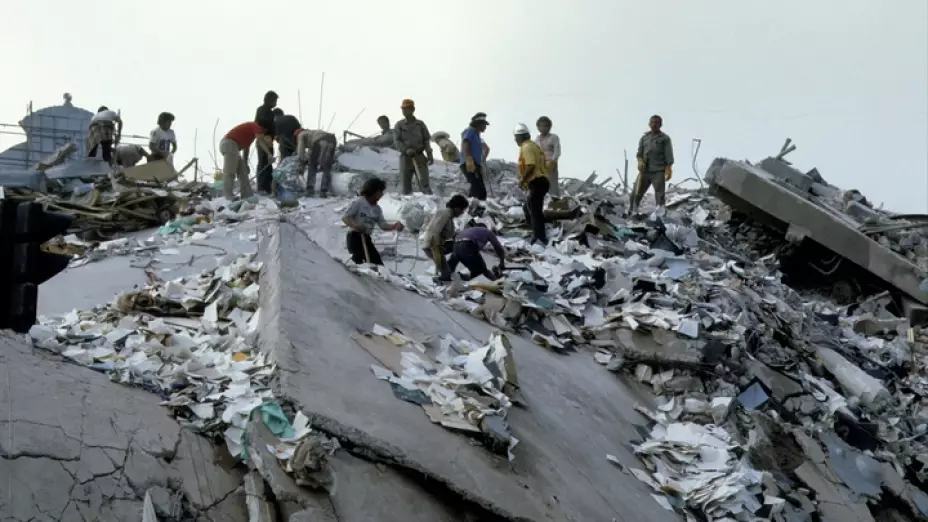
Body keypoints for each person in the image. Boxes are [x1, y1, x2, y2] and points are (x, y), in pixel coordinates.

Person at [341, 177, 404, 265]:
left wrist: (395, 226)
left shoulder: (377, 209)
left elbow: (383, 225)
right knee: (359, 263)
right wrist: (356, 226)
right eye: (380, 192)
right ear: (374, 191)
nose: (382, 195)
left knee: (377, 264)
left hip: (366, 238)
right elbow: (346, 218)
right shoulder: (359, 202)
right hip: (354, 237)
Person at [514, 123, 550, 245]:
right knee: (528, 207)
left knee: (535, 211)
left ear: (521, 137)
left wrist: (522, 180)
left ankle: (540, 238)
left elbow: (530, 165)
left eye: (516, 137)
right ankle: (534, 230)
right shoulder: (534, 146)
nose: (515, 140)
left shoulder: (526, 147)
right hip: (542, 181)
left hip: (537, 182)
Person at [632, 114, 674, 214]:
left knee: (659, 194)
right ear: (649, 124)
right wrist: (640, 161)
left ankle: (660, 214)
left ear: (660, 125)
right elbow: (639, 153)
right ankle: (632, 211)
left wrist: (668, 168)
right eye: (652, 122)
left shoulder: (665, 138)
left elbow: (669, 154)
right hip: (645, 171)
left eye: (657, 123)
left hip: (658, 171)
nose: (654, 124)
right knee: (636, 193)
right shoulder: (644, 138)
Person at [219, 121, 271, 199]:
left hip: (234, 147)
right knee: (230, 171)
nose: (262, 134)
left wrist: (245, 163)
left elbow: (246, 149)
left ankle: (247, 196)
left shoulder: (251, 136)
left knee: (243, 172)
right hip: (229, 143)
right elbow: (260, 141)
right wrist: (269, 154)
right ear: (263, 129)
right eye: (263, 133)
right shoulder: (255, 126)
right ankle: (228, 196)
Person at [422, 194, 469, 279]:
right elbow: (435, 231)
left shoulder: (449, 215)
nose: (462, 213)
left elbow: (449, 233)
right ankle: (440, 276)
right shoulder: (445, 214)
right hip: (432, 246)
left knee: (461, 246)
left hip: (437, 245)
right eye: (462, 210)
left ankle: (449, 267)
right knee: (446, 275)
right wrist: (437, 248)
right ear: (457, 208)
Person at [393, 99, 434, 194]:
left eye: (406, 109)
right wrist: (406, 150)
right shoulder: (399, 125)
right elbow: (397, 141)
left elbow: (426, 140)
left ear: (413, 109)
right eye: (402, 109)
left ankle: (428, 201)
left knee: (424, 184)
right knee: (405, 186)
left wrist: (429, 154)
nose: (404, 111)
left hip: (419, 156)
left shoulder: (420, 124)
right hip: (405, 158)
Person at [296, 129, 338, 197]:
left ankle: (310, 190)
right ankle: (323, 191)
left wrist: (302, 162)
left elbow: (300, 151)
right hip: (332, 140)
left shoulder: (301, 135)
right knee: (327, 167)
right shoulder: (313, 133)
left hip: (320, 141)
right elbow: (311, 152)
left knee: (312, 165)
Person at [460, 113, 489, 200]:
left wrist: (482, 161)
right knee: (476, 188)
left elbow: (486, 149)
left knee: (481, 191)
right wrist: (469, 160)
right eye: (484, 124)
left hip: (475, 164)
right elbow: (465, 143)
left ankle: (475, 205)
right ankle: (468, 205)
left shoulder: (477, 136)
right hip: (469, 163)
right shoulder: (470, 131)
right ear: (478, 124)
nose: (485, 127)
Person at [254, 90, 279, 193]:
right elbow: (262, 123)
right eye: (275, 101)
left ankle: (268, 187)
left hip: (268, 139)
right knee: (263, 162)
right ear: (270, 100)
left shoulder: (269, 112)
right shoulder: (263, 110)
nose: (275, 103)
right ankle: (262, 187)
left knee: (268, 163)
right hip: (263, 138)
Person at [535, 116, 562, 196]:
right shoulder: (537, 139)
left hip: (551, 164)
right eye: (541, 126)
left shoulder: (554, 137)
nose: (543, 128)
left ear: (549, 127)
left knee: (552, 185)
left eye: (546, 126)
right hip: (540, 165)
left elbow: (557, 151)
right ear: (538, 127)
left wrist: (552, 162)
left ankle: (554, 201)